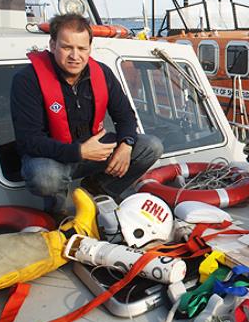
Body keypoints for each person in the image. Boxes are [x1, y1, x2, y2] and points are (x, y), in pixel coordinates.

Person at [11, 14, 163, 212]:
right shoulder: (27, 80)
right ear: (52, 45)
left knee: (151, 146)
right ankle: (58, 212)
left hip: (95, 150)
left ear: (90, 48)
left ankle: (97, 189)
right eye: (67, 47)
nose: (75, 56)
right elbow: (28, 140)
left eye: (82, 48)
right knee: (45, 177)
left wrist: (126, 144)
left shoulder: (102, 73)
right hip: (53, 156)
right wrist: (79, 152)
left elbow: (125, 116)